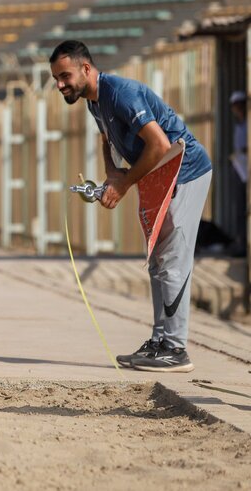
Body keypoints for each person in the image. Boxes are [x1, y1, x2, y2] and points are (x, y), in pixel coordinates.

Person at [50, 40, 213, 373]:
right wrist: (112, 173)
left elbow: (159, 144)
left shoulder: (121, 93)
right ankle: (160, 342)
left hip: (185, 172)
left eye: (64, 76)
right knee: (157, 262)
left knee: (172, 261)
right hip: (158, 178)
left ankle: (176, 349)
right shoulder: (94, 102)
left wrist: (124, 184)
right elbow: (106, 138)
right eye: (56, 78)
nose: (60, 85)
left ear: (85, 68)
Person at [230, 90, 247, 256]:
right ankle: (241, 244)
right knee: (240, 208)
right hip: (239, 169)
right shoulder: (239, 125)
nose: (237, 108)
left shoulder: (247, 124)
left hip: (246, 169)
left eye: (240, 104)